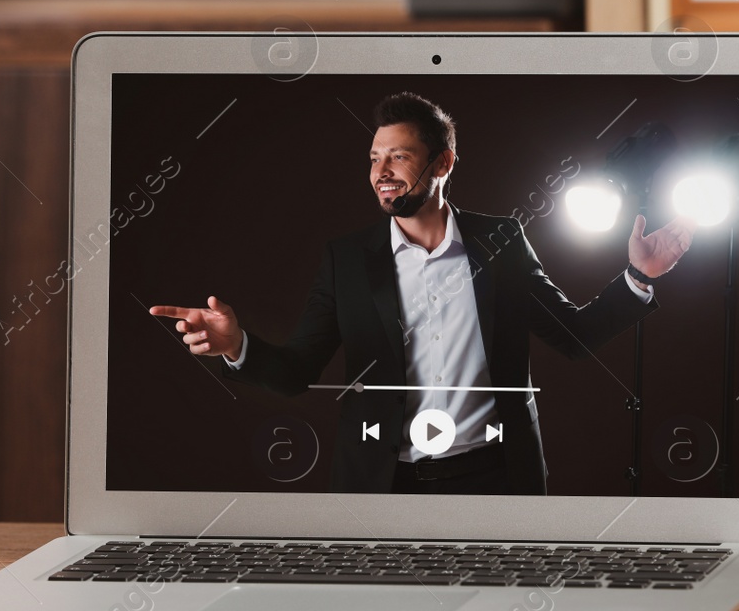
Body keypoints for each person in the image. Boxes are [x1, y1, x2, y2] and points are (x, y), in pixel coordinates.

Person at [149, 92, 695, 494]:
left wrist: (639, 277)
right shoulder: (348, 260)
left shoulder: (500, 242)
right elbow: (295, 372)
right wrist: (237, 344)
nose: (381, 173)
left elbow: (573, 337)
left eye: (398, 157)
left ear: (443, 163)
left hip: (497, 479)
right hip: (383, 485)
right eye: (373, 158)